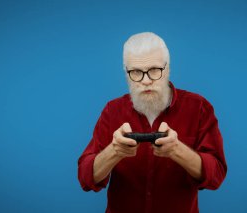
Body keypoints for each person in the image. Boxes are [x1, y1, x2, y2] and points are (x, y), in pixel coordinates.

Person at [78, 32, 227, 213]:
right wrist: (114, 151)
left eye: (155, 70)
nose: (146, 80)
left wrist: (177, 150)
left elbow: (217, 176)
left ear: (168, 68)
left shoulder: (199, 108)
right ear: (126, 73)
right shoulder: (112, 110)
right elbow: (85, 178)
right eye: (136, 72)